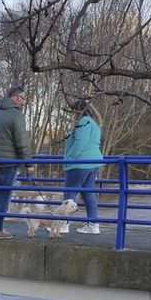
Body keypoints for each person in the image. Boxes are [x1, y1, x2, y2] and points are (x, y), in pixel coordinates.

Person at [0, 85, 33, 239]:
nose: (24, 102)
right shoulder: (16, 115)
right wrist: (29, 163)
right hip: (9, 161)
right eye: (23, 98)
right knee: (3, 196)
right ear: (17, 98)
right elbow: (22, 141)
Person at [63, 98, 103, 234]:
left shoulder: (83, 123)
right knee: (88, 193)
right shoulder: (94, 124)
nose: (73, 114)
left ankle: (64, 224)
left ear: (79, 111)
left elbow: (80, 142)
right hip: (93, 163)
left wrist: (69, 158)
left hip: (79, 163)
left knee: (69, 193)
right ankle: (93, 224)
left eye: (74, 111)